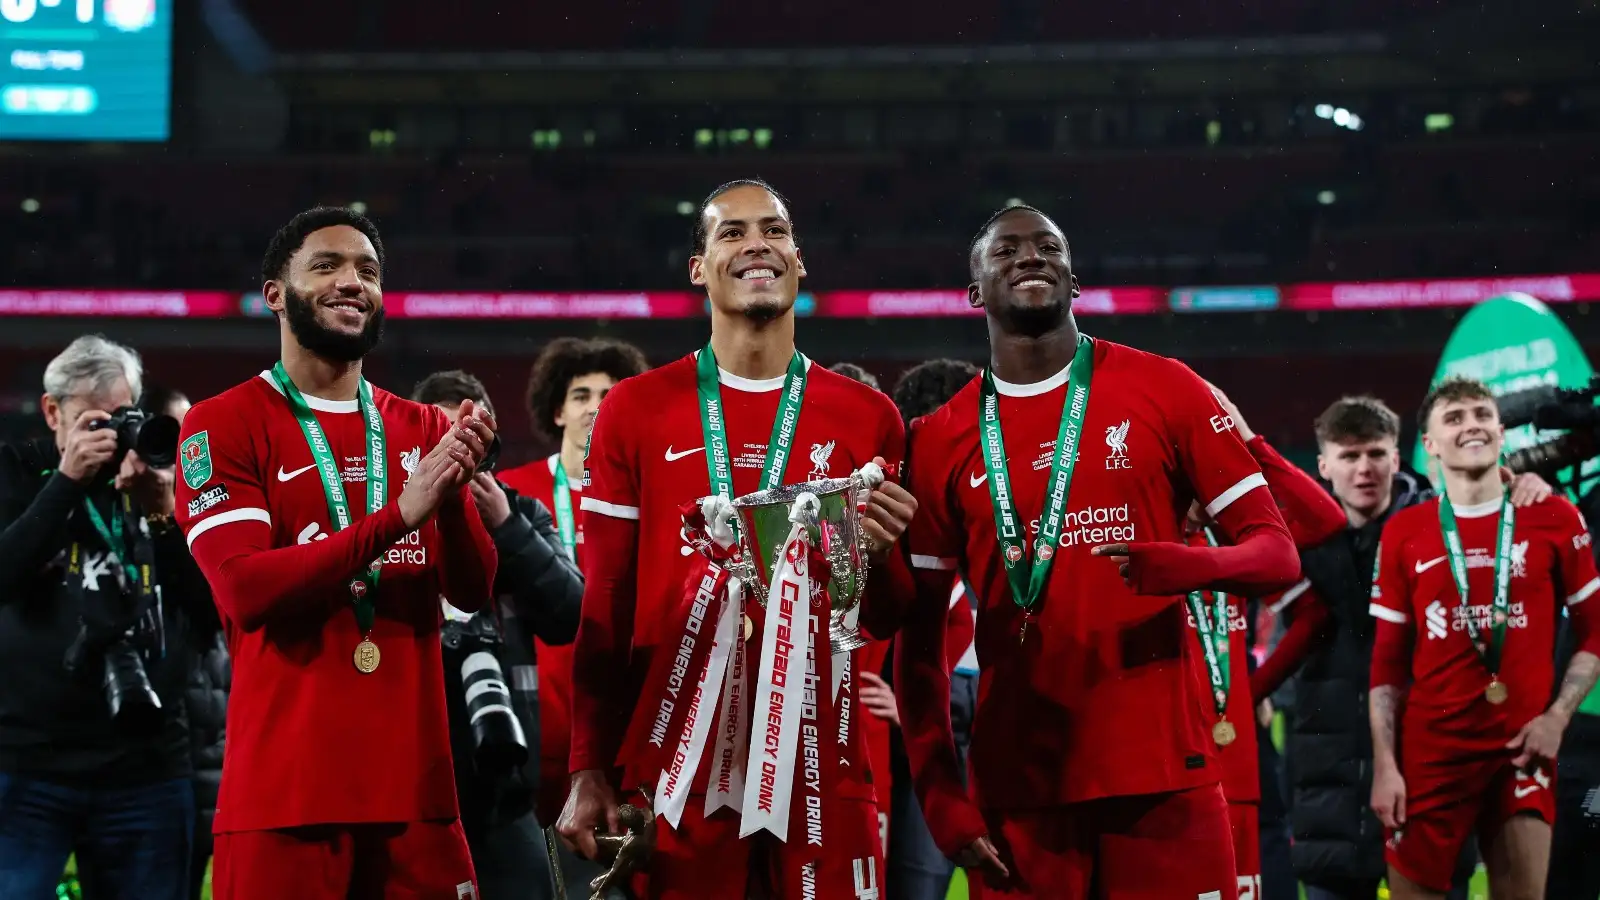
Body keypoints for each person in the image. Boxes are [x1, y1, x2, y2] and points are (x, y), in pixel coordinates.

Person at [895, 204, 1301, 899]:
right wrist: (939, 793)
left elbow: (1277, 555)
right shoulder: (938, 438)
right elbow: (918, 643)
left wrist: (1189, 565)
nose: (1029, 257)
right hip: (1022, 790)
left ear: (1074, 279)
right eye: (1006, 251)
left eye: (1048, 246)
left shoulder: (1165, 386)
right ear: (974, 292)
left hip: (1166, 776)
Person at [556, 178, 919, 899]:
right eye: (732, 232)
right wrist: (588, 765)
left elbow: (884, 614)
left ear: (799, 259)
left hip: (823, 765)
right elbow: (606, 601)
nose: (757, 243)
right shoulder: (633, 409)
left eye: (775, 230)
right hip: (681, 763)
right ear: (699, 267)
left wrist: (878, 556)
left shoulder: (869, 416)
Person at [173, 206, 500, 900]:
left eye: (368, 271)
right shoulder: (222, 423)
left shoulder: (420, 427)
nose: (352, 281)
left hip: (418, 796)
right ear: (274, 294)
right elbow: (245, 591)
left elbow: (472, 591)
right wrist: (399, 515)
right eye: (326, 265)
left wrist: (449, 498)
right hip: (285, 798)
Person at [1252, 395, 1549, 900]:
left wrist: (1529, 485)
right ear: (1323, 465)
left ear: (1397, 456)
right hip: (1329, 786)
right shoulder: (1301, 543)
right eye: (1349, 457)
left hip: (1429, 776)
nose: (1364, 469)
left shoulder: (1442, 527)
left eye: (1375, 454)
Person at [1367, 376, 1600, 900]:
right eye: (1453, 418)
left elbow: (1595, 631)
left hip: (1522, 751)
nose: (1470, 425)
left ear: (1499, 429)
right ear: (1428, 445)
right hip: (1430, 757)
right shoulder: (1406, 531)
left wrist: (1557, 718)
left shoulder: (1553, 516)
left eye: (1480, 415)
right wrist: (1385, 765)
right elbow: (1386, 665)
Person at [0, 337, 212, 900]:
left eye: (123, 417)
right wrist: (66, 484)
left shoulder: (166, 487)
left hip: (148, 768)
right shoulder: (18, 472)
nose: (112, 435)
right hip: (30, 764)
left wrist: (166, 518)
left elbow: (213, 612)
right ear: (53, 412)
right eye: (93, 420)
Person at [413, 368, 587, 900]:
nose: (459, 458)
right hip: (417, 784)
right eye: (444, 440)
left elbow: (570, 614)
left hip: (507, 786)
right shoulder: (395, 519)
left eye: (472, 440)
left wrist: (507, 528)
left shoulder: (519, 513)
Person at [1184, 381, 1349, 900]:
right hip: (1166, 756)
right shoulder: (1137, 532)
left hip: (1235, 756)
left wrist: (1249, 438)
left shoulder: (1234, 535)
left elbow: (1325, 523)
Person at [497, 338, 650, 837]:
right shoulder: (511, 493)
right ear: (558, 411)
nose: (595, 407)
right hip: (535, 716)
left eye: (609, 395)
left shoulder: (651, 498)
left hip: (625, 720)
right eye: (581, 396)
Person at [885, 358, 982, 900]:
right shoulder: (898, 529)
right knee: (918, 888)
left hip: (1002, 722)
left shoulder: (1012, 515)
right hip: (925, 728)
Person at [138, 385, 229, 900]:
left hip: (208, 770)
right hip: (137, 773)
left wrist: (169, 514)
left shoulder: (217, 512)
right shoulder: (103, 512)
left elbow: (214, 610)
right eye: (168, 439)